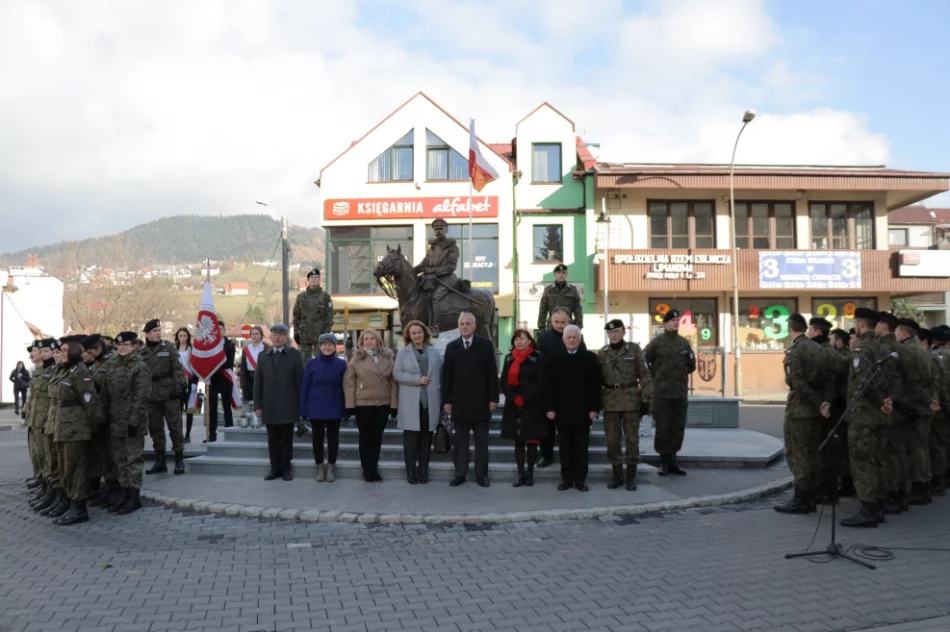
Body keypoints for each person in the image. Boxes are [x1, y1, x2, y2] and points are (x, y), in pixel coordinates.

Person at [774, 314, 832, 514]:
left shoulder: (795, 351)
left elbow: (796, 382)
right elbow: (828, 378)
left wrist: (817, 403)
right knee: (813, 454)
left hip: (800, 410)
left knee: (798, 455)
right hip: (815, 411)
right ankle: (812, 496)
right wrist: (824, 402)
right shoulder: (818, 348)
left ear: (790, 329)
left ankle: (801, 499)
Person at [840, 307, 892, 528]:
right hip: (880, 416)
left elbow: (863, 385)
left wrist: (879, 402)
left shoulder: (862, 349)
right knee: (878, 460)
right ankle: (878, 506)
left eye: (855, 323)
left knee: (863, 462)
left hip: (864, 416)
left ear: (861, 324)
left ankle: (868, 509)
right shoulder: (883, 348)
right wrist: (886, 402)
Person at [442, 312, 499, 487]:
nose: (464, 326)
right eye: (462, 324)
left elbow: (492, 374)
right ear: (458, 326)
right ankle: (460, 473)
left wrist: (493, 398)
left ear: (474, 326)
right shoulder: (452, 347)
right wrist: (446, 400)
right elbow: (446, 376)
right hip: (459, 403)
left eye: (468, 323)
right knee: (460, 441)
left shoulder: (485, 345)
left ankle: (481, 475)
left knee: (481, 441)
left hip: (481, 402)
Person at [48, 340, 100, 525]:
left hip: (76, 429)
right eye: (60, 350)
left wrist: (90, 427)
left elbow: (90, 403)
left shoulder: (80, 372)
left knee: (76, 469)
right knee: (66, 468)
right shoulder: (65, 371)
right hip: (63, 427)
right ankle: (70, 502)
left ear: (75, 353)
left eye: (65, 350)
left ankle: (79, 508)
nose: (61, 353)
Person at [598, 319, 653, 492]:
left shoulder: (634, 349)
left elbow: (645, 375)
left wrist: (645, 400)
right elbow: (597, 379)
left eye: (616, 331)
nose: (613, 335)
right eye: (610, 332)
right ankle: (617, 474)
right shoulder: (602, 353)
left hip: (631, 400)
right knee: (612, 440)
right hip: (610, 401)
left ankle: (630, 476)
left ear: (623, 332)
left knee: (632, 439)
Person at [545, 325, 602, 491]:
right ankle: (566, 479)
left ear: (580, 339)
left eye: (574, 337)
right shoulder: (554, 359)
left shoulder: (590, 358)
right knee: (564, 447)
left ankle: (580, 480)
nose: (571, 340)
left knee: (581, 448)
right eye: (568, 337)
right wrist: (549, 408)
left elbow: (595, 385)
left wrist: (594, 408)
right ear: (563, 340)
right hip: (561, 411)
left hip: (583, 412)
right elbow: (549, 386)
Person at [100, 331, 152, 514]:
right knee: (120, 459)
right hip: (115, 420)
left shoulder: (140, 367)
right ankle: (124, 493)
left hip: (131, 421)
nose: (122, 347)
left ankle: (134, 496)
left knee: (132, 460)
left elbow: (141, 397)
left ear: (135, 346)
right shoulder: (112, 365)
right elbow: (106, 394)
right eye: (119, 344)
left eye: (126, 344)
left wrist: (134, 422)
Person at [644, 308, 696, 476]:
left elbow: (691, 365)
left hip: (679, 392)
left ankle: (673, 461)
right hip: (662, 393)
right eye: (673, 320)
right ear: (665, 323)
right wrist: (655, 376)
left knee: (677, 427)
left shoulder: (684, 343)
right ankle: (663, 462)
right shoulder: (656, 342)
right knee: (663, 427)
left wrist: (678, 375)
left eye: (677, 320)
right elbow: (643, 361)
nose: (676, 323)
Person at [894, 318, 938, 506]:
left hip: (916, 405)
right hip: (923, 404)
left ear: (905, 333)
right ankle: (924, 485)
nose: (895, 334)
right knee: (922, 447)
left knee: (915, 449)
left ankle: (920, 488)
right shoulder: (921, 349)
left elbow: (912, 382)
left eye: (897, 331)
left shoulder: (908, 351)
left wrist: (913, 404)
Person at [344, 329, 398, 482]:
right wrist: (350, 405)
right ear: (361, 342)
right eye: (366, 339)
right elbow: (349, 383)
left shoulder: (388, 358)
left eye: (372, 338)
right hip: (363, 404)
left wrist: (394, 405)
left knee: (377, 438)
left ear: (378, 341)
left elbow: (394, 383)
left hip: (383, 404)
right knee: (365, 438)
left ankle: (374, 468)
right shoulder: (355, 359)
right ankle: (367, 470)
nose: (369, 341)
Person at [536, 307, 587, 467]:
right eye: (556, 322)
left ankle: (574, 458)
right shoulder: (543, 338)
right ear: (551, 322)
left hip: (571, 389)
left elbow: (583, 359)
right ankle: (546, 455)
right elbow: (539, 362)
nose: (559, 325)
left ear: (569, 321)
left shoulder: (576, 335)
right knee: (547, 425)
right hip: (550, 387)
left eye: (563, 322)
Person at [393, 321, 442, 485]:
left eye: (419, 332)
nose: (417, 335)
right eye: (413, 333)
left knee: (426, 439)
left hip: (430, 402)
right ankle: (411, 472)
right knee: (411, 440)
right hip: (410, 402)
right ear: (409, 335)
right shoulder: (402, 352)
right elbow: (397, 373)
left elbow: (441, 373)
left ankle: (423, 472)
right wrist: (417, 379)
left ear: (425, 333)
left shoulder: (434, 352)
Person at [254, 324, 304, 481]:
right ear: (270, 336)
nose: (277, 337)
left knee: (287, 439)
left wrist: (301, 406)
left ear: (285, 337)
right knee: (272, 439)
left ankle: (286, 468)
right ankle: (274, 468)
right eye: (275, 334)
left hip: (288, 404)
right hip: (269, 405)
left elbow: (300, 382)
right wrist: (257, 405)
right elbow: (258, 383)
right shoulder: (263, 356)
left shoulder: (294, 355)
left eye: (281, 335)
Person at [806, 318, 849, 501]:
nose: (808, 333)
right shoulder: (826, 350)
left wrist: (827, 401)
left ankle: (827, 491)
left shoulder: (824, 351)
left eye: (810, 330)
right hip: (830, 404)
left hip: (830, 406)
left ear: (817, 331)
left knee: (827, 451)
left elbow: (832, 377)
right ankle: (826, 489)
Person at [500, 329, 546, 487]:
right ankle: (520, 474)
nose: (518, 342)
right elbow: (503, 382)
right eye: (516, 339)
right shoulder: (508, 358)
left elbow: (541, 382)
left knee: (531, 441)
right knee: (518, 441)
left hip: (532, 405)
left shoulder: (538, 358)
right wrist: (513, 397)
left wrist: (525, 398)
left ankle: (530, 474)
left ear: (529, 341)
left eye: (522, 339)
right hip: (513, 405)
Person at [140, 319, 187, 475]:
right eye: (155, 331)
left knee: (175, 427)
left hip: (169, 394)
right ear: (147, 334)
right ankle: (160, 461)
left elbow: (178, 369)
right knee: (155, 430)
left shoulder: (169, 347)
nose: (158, 333)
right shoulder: (142, 352)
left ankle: (179, 459)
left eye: (159, 330)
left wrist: (178, 388)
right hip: (151, 396)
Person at [875, 311, 911, 514]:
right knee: (898, 452)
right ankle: (901, 494)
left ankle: (893, 494)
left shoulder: (886, 348)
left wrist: (889, 399)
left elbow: (889, 380)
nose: (876, 328)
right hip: (900, 405)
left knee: (889, 453)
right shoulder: (901, 348)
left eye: (878, 324)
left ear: (883, 326)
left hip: (889, 406)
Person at [300, 333, 346, 483]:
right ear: (320, 347)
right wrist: (303, 409)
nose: (327, 347)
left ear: (335, 347)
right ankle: (319, 466)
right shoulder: (311, 363)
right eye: (324, 344)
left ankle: (331, 466)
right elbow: (305, 387)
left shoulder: (341, 364)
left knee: (333, 438)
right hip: (316, 405)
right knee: (317, 438)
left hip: (335, 405)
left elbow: (346, 388)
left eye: (330, 344)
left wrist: (347, 408)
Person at [81, 334, 117, 508]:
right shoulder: (98, 363)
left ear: (98, 348)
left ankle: (115, 490)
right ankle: (109, 489)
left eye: (91, 351)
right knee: (103, 454)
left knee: (111, 455)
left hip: (111, 415)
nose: (90, 355)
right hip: (100, 415)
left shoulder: (112, 361)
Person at [29, 339, 61, 514]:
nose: (43, 355)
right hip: (38, 420)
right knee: (41, 456)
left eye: (47, 351)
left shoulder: (56, 372)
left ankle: (53, 493)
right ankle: (46, 489)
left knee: (51, 460)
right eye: (42, 352)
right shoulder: (42, 372)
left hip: (49, 422)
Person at [414, 218, 460, 334]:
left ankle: (435, 327)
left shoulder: (452, 247)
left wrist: (433, 272)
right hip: (431, 279)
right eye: (436, 229)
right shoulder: (432, 248)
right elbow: (424, 264)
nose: (438, 231)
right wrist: (410, 271)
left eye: (441, 228)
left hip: (446, 279)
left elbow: (451, 266)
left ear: (446, 230)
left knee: (435, 298)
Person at [292, 268, 334, 362]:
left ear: (319, 280)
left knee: (321, 361)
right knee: (304, 362)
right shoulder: (301, 297)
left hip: (320, 335)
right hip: (304, 335)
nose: (314, 279)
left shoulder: (325, 297)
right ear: (308, 280)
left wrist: (326, 334)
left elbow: (329, 317)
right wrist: (295, 333)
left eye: (316, 277)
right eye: (311, 277)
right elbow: (296, 316)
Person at [206, 319, 237, 443]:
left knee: (226, 407)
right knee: (212, 409)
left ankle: (230, 435)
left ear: (224, 331)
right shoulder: (209, 344)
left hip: (225, 379)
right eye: (216, 330)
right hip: (213, 379)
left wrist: (215, 362)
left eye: (220, 329)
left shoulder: (230, 345)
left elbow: (229, 363)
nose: (218, 332)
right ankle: (211, 436)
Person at [537, 264, 583, 331]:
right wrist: (541, 327)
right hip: (552, 326)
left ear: (566, 274)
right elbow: (542, 310)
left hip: (568, 326)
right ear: (554, 274)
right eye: (558, 273)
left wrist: (578, 326)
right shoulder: (548, 290)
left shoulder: (572, 290)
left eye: (563, 273)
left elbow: (578, 310)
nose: (561, 275)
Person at [240, 326, 268, 427]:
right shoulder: (246, 349)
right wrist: (242, 381)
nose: (254, 336)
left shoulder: (266, 348)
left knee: (262, 399)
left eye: (257, 334)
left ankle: (263, 421)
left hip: (263, 377)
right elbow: (243, 366)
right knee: (249, 400)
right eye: (252, 334)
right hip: (249, 377)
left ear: (261, 335)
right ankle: (251, 421)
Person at [174, 327, 199, 442]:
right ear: (177, 337)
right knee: (178, 411)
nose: (182, 338)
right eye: (180, 336)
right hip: (177, 384)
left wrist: (195, 382)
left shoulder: (192, 350)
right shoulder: (174, 350)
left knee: (189, 411)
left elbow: (196, 368)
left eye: (184, 336)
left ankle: (188, 434)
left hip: (190, 383)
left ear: (188, 337)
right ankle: (179, 434)